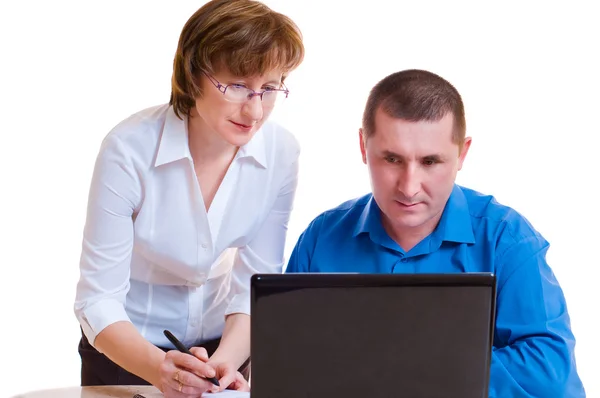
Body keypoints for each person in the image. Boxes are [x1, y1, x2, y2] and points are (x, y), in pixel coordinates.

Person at [286, 69, 586, 397]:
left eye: (430, 162)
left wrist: (408, 370)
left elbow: (550, 373)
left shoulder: (507, 239)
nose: (409, 187)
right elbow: (284, 360)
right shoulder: (320, 238)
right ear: (362, 146)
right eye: (391, 159)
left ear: (462, 155)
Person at [73, 0, 304, 396]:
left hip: (224, 348)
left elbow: (255, 281)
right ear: (193, 74)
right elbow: (98, 300)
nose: (255, 110)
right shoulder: (128, 149)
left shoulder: (281, 152)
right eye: (237, 86)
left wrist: (226, 361)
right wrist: (157, 368)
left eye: (268, 88)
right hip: (128, 350)